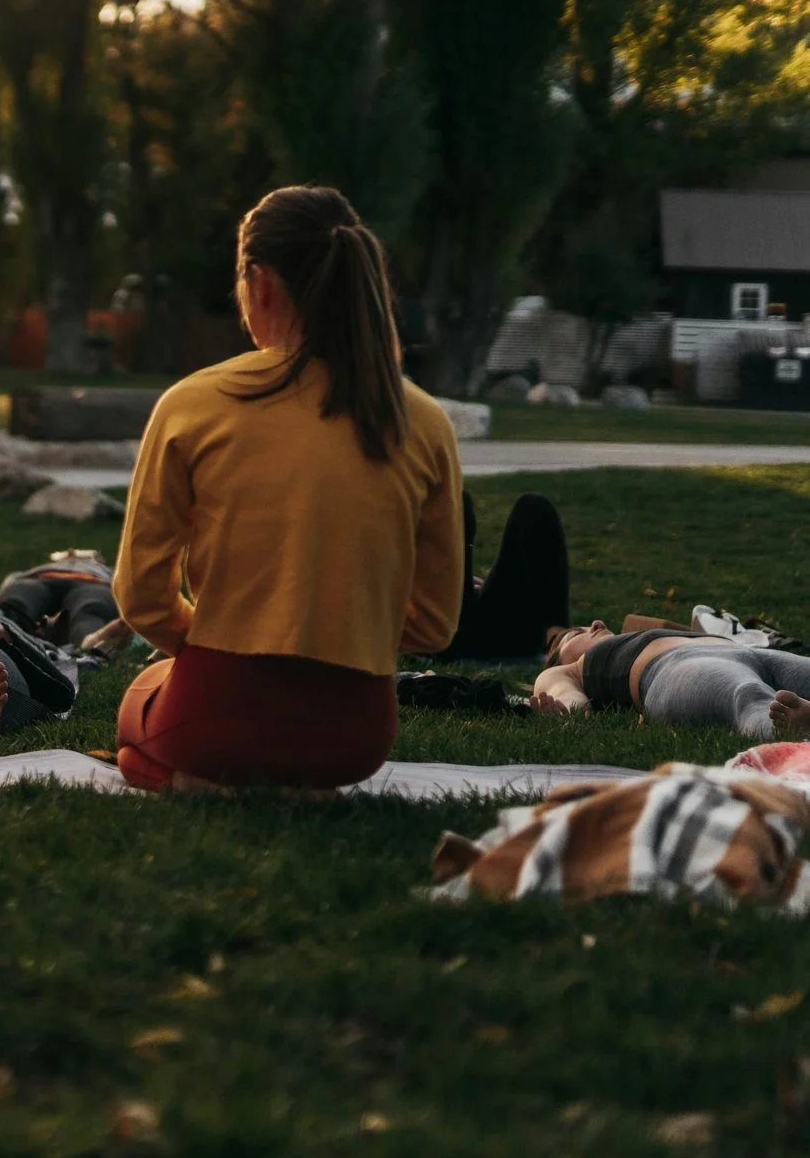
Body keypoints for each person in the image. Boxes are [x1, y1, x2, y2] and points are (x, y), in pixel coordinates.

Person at [112, 186, 465, 791]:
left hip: (218, 715)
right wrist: (346, 630)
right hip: (356, 738)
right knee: (188, 712)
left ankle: (196, 777)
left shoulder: (193, 403)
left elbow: (141, 597)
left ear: (260, 282)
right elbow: (435, 624)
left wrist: (216, 640)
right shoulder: (423, 420)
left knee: (138, 701)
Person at [531, 623, 810, 740]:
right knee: (746, 695)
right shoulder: (566, 670)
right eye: (577, 632)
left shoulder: (634, 636)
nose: (596, 624)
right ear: (560, 658)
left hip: (749, 653)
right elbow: (566, 697)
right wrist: (565, 709)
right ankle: (784, 729)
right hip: (674, 668)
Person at [437, 492, 571, 662]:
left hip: (503, 633)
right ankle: (557, 640)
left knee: (533, 507)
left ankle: (558, 639)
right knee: (452, 502)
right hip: (443, 633)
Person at [0, 550, 124, 648]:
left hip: (94, 582)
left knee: (91, 608)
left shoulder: (108, 569)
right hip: (40, 578)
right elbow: (6, 587)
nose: (73, 553)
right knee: (16, 605)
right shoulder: (36, 569)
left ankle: (93, 641)